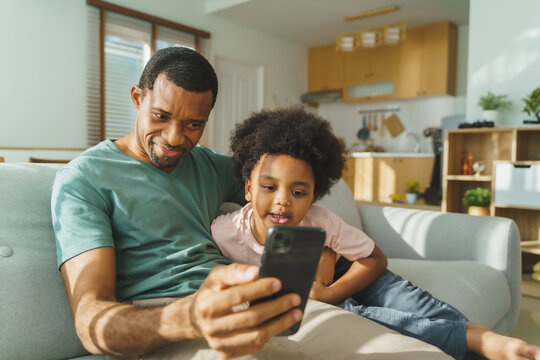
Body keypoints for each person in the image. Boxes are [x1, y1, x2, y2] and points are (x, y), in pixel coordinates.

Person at [211, 106, 540, 360]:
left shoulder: (321, 220)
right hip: (311, 288)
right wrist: (324, 294)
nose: (282, 200)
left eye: (299, 192)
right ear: (249, 189)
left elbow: (373, 259)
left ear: (314, 195)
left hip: (351, 268)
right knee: (366, 318)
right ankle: (478, 340)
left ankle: (480, 338)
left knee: (414, 304)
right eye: (270, 187)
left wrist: (330, 289)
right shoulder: (225, 233)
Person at [51, 47, 303, 360]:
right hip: (163, 323)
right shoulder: (84, 178)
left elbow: (285, 192)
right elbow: (90, 321)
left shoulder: (211, 165)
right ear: (137, 98)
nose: (173, 137)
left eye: (193, 125)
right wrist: (190, 316)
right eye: (161, 116)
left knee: (380, 347)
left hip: (243, 301)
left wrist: (328, 249)